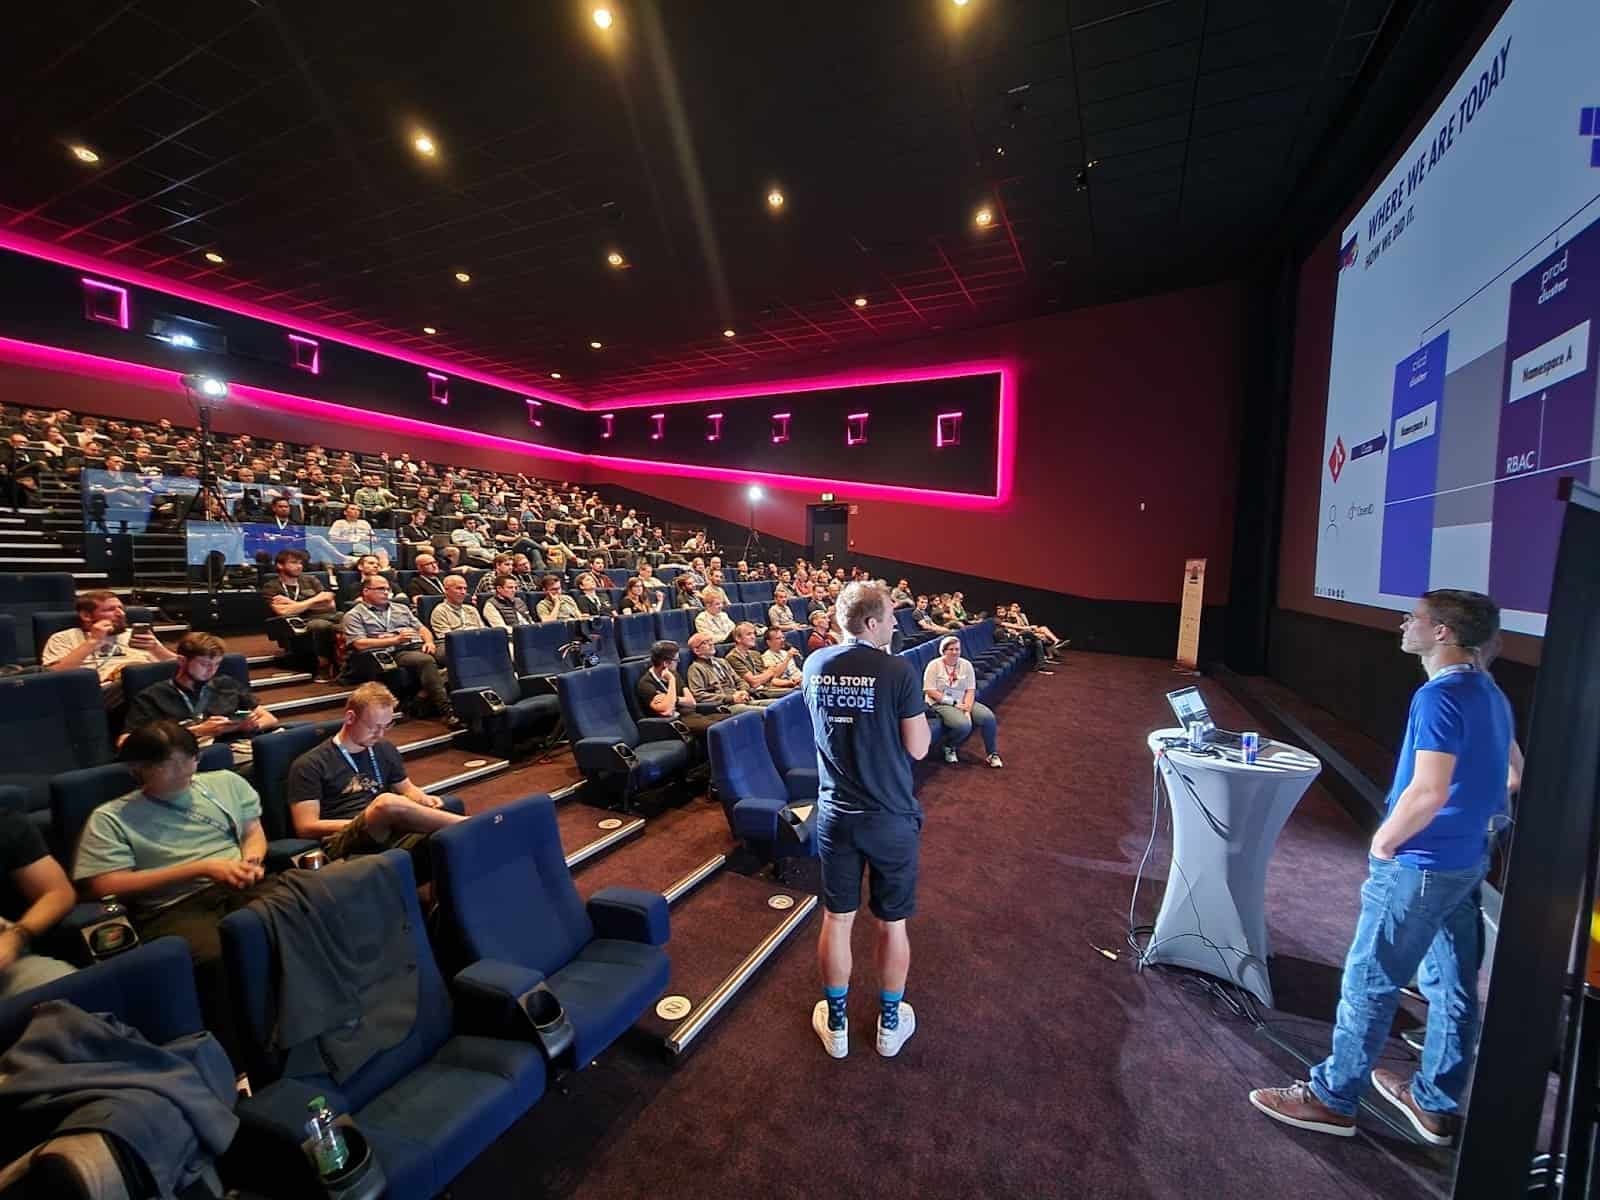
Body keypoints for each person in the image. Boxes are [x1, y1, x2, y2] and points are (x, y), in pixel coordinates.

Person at [1249, 589, 1518, 1146]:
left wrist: (1384, 841)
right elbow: (1513, 774)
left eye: (1414, 618)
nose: (1403, 624)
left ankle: (1331, 1098)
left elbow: (1429, 789)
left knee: (1371, 981)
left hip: (1420, 864)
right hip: (1466, 862)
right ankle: (1434, 1102)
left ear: (1441, 632)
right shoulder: (1489, 692)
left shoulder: (1439, 699)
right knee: (1453, 987)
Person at [74, 721, 271, 1055]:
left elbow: (253, 832)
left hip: (241, 884)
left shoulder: (225, 782)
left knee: (298, 917)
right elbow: (103, 884)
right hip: (174, 905)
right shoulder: (111, 818)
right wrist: (202, 868)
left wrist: (251, 860)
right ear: (139, 769)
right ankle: (240, 1053)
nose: (184, 773)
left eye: (189, 761)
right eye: (168, 767)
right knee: (220, 958)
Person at [803, 582, 931, 1060]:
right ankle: (889, 1025)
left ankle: (836, 1026)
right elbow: (918, 748)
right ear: (873, 623)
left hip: (836, 815)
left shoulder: (814, 663)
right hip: (889, 816)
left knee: (837, 918)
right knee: (891, 924)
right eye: (891, 618)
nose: (897, 625)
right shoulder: (898, 670)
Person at [287, 684, 465, 868]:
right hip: (343, 838)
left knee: (443, 841)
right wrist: (366, 820)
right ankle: (469, 826)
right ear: (350, 717)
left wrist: (423, 799)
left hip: (388, 828)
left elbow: (407, 789)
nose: (380, 734)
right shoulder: (310, 764)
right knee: (385, 803)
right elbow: (306, 827)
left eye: (386, 726)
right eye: (374, 727)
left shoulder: (384, 749)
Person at [123, 632, 278, 763]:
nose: (211, 670)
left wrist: (241, 726)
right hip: (193, 759)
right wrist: (198, 731)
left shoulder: (226, 684)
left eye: (217, 664)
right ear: (182, 661)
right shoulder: (153, 696)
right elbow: (126, 742)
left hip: (240, 748)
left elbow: (270, 718)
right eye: (204, 664)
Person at [340, 576, 457, 725]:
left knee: (455, 654)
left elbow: (422, 628)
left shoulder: (401, 608)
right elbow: (359, 643)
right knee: (425, 660)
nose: (386, 592)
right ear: (366, 591)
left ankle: (422, 697)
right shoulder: (354, 615)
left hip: (418, 644)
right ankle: (446, 710)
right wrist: (395, 640)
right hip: (392, 651)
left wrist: (429, 642)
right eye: (381, 589)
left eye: (388, 589)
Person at [0, 807, 76, 999]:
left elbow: (58, 892)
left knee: (73, 994)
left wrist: (16, 936)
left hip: (8, 967)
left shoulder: (6, 824)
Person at [42, 590, 176, 698]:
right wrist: (93, 641)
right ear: (86, 616)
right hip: (104, 692)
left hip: (149, 683)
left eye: (121, 608)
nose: (121, 614)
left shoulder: (135, 634)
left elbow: (179, 666)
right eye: (111, 610)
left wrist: (157, 649)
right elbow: (53, 675)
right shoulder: (63, 638)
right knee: (136, 679)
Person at [922, 636, 1002, 767]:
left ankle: (992, 753)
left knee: (988, 718)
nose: (955, 652)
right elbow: (930, 690)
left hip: (962, 700)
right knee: (964, 725)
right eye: (951, 649)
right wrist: (954, 704)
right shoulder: (934, 665)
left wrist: (968, 708)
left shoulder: (966, 665)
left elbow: (970, 690)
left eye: (957, 649)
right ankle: (949, 746)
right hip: (940, 702)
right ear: (943, 651)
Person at [262, 549, 339, 680]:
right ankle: (323, 666)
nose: (299, 566)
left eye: (300, 563)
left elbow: (331, 604)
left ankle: (343, 664)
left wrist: (293, 604)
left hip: (330, 615)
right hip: (296, 622)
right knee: (320, 625)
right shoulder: (272, 586)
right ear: (280, 565)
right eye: (293, 563)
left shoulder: (310, 580)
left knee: (347, 619)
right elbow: (283, 611)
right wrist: (315, 600)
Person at [634, 639, 727, 747]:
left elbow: (692, 702)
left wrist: (674, 699)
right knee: (720, 729)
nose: (678, 663)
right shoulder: (646, 683)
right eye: (676, 660)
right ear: (666, 663)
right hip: (677, 722)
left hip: (693, 714)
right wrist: (671, 681)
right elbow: (667, 711)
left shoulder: (674, 673)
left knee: (733, 719)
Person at [684, 633, 770, 711]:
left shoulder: (722, 662)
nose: (711, 644)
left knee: (776, 705)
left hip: (742, 699)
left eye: (711, 641)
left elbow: (739, 680)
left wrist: (743, 691)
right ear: (696, 650)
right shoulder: (695, 668)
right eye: (705, 642)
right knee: (767, 712)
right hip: (725, 705)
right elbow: (698, 695)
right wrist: (730, 698)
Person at [727, 622, 800, 698]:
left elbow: (770, 678)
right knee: (795, 694)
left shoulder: (755, 654)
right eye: (749, 634)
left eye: (754, 634)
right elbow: (754, 682)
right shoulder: (733, 657)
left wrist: (789, 682)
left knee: (798, 690)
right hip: (754, 693)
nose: (753, 637)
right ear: (738, 638)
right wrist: (771, 671)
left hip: (768, 688)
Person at [430, 573, 487, 640]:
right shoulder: (440, 612)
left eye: (465, 588)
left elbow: (484, 632)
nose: (463, 592)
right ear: (446, 590)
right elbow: (447, 639)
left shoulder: (471, 609)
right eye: (459, 588)